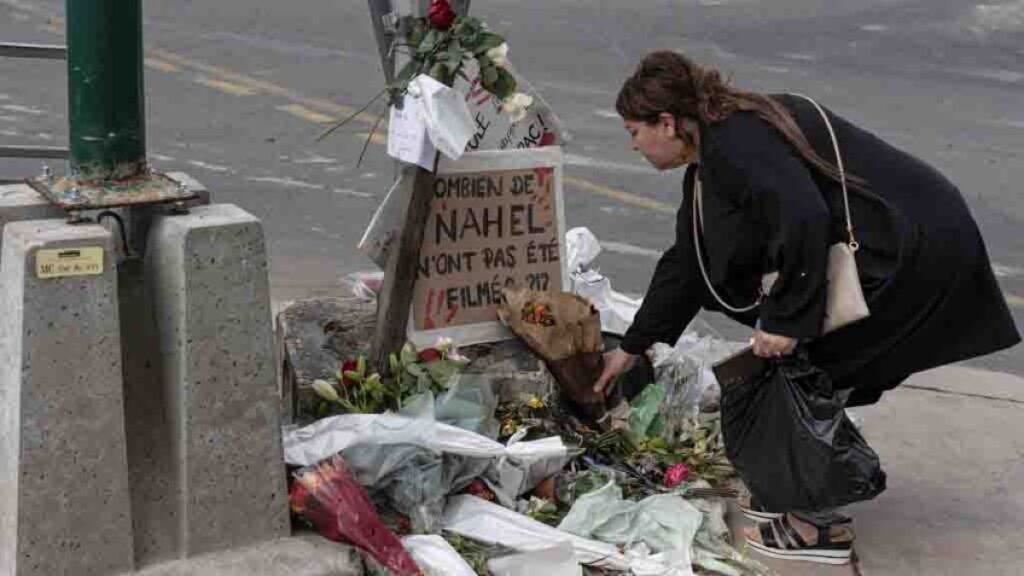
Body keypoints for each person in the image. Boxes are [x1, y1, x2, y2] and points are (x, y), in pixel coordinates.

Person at [593, 50, 1021, 564]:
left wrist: (786, 321)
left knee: (803, 373)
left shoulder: (738, 143)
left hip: (913, 250)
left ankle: (818, 527)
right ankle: (800, 494)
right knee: (803, 367)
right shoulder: (718, 151)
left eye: (634, 131)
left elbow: (804, 218)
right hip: (902, 244)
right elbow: (689, 261)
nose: (632, 144)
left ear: (666, 122)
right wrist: (634, 345)